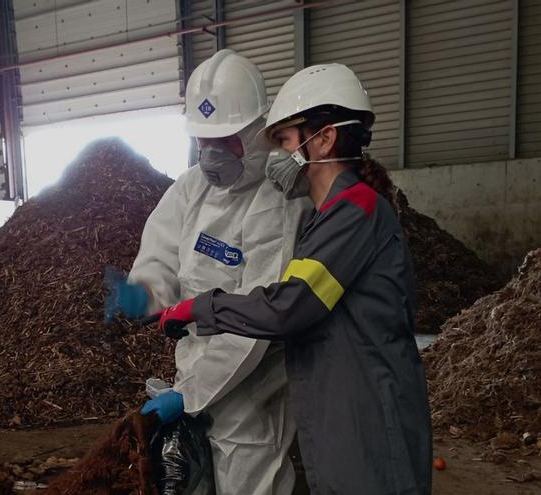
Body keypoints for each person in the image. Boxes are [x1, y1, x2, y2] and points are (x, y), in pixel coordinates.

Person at [152, 64, 433, 494]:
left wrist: (203, 307)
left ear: (323, 139)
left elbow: (289, 306)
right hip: (339, 399)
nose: (275, 156)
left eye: (283, 140)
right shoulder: (329, 217)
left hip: (367, 403)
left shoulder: (356, 210)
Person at [116, 49, 310, 494]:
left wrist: (189, 396)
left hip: (252, 393)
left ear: (258, 133)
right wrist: (147, 290)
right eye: (204, 141)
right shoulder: (190, 188)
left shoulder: (278, 202)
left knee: (250, 482)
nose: (212, 154)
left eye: (226, 141)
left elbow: (257, 322)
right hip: (193, 372)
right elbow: (163, 254)